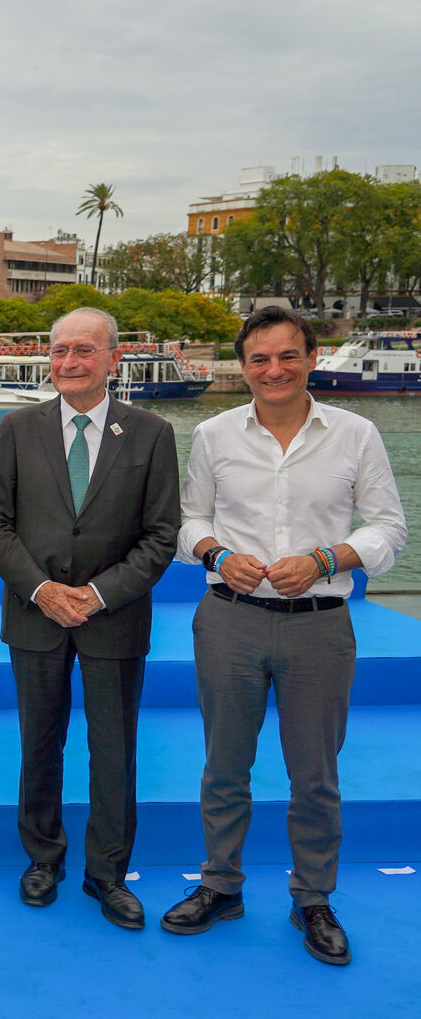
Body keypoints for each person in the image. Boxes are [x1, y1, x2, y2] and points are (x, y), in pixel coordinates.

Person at [160, 306, 406, 965]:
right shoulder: (212, 434)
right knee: (223, 766)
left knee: (315, 775)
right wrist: (216, 553)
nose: (274, 370)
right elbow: (187, 521)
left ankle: (313, 897)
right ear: (243, 367)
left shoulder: (355, 434)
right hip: (228, 618)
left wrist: (326, 559)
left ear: (311, 359)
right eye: (260, 358)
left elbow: (388, 528)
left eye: (287, 355)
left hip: (319, 625)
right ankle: (220, 885)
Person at [0, 307, 179, 929]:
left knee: (114, 748)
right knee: (39, 742)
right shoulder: (17, 429)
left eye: (84, 350)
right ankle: (43, 857)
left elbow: (161, 535)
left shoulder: (151, 433)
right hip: (35, 615)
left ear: (113, 359)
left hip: (114, 617)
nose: (69, 362)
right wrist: (41, 589)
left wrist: (98, 595)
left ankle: (108, 873)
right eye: (60, 350)